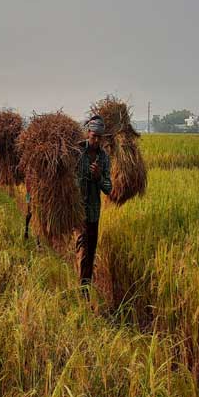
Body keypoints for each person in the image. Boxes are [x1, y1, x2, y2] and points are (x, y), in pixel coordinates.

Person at [75, 115, 112, 299]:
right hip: (77, 209)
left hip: (94, 212)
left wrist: (99, 177)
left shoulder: (104, 158)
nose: (96, 140)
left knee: (90, 251)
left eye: (99, 137)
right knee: (83, 248)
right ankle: (83, 291)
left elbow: (109, 188)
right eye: (93, 135)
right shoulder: (77, 151)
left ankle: (85, 287)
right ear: (88, 133)